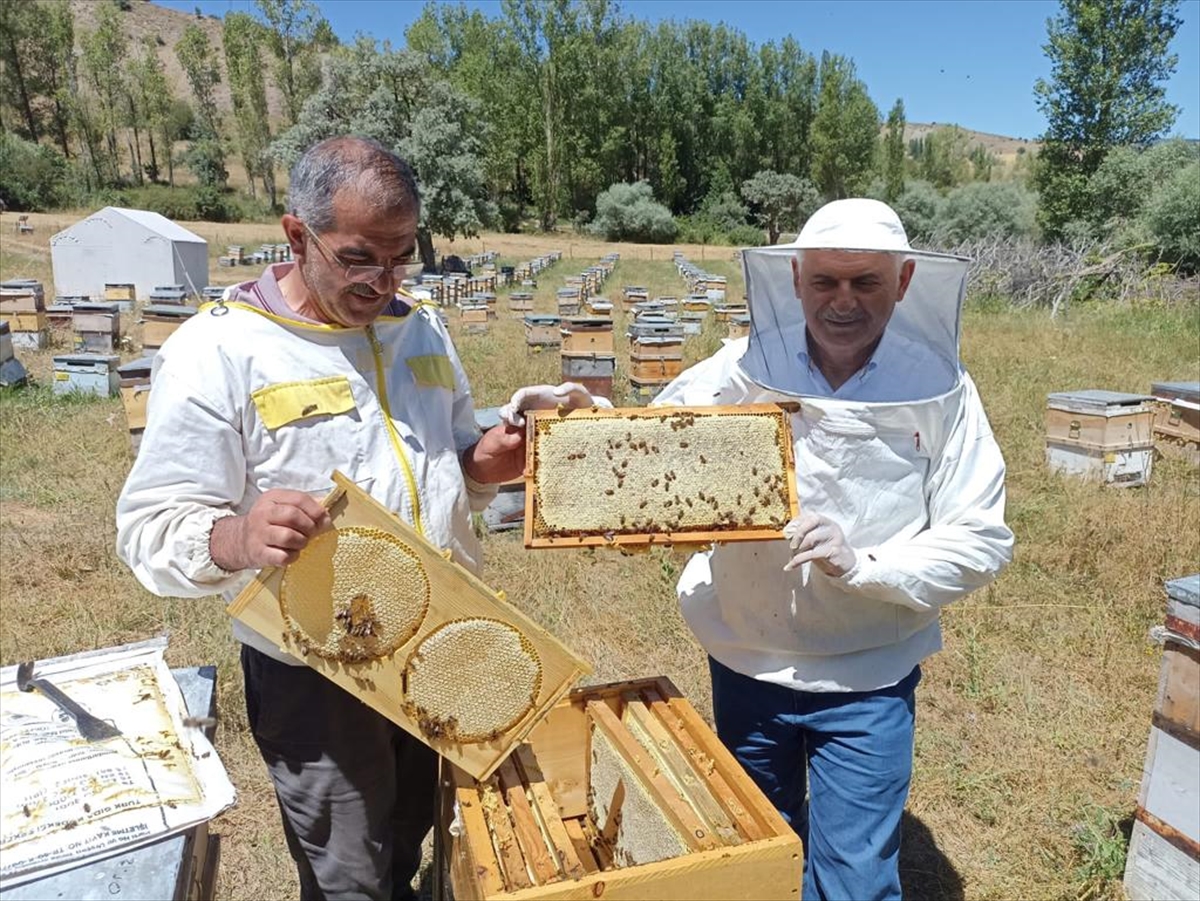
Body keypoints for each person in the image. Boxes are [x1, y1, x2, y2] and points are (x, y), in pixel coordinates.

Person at [115, 136, 602, 901]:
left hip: (439, 641)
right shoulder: (220, 350)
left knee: (415, 837)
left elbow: (450, 464)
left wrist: (489, 462)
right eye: (358, 257)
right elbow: (148, 528)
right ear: (297, 235)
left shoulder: (421, 329)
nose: (382, 279)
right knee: (352, 880)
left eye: (401, 255)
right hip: (317, 675)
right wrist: (236, 537)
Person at [653, 198, 1014, 901]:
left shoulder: (941, 388)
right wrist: (578, 411)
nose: (842, 300)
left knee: (854, 877)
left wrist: (864, 564)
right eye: (825, 282)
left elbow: (981, 537)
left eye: (866, 283)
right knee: (753, 858)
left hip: (867, 677)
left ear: (904, 282)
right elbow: (647, 447)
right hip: (747, 656)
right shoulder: (742, 365)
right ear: (795, 279)